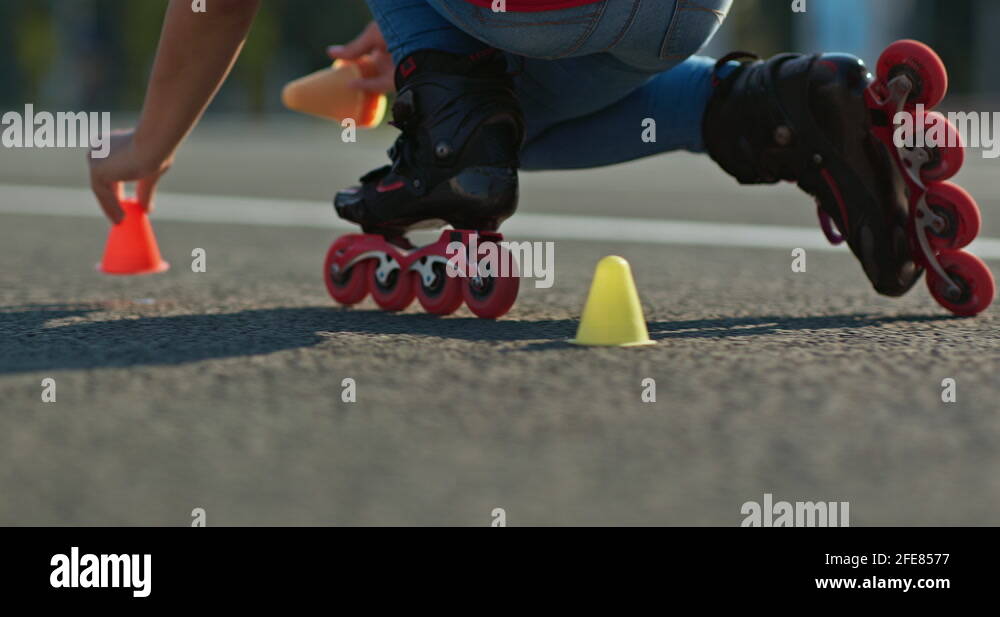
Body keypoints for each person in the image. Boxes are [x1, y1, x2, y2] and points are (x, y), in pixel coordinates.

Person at [88, 0, 920, 297]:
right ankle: (784, 106)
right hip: (687, 10)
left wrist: (151, 145)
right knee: (515, 119)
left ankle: (454, 144)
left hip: (534, 5)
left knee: (483, 124)